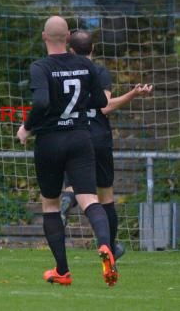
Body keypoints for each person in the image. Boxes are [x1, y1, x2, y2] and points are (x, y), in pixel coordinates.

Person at [16, 16, 118, 286]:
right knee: (89, 200)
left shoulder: (41, 67)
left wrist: (27, 127)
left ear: (43, 37)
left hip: (51, 141)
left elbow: (41, 101)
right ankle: (106, 246)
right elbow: (98, 101)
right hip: (80, 138)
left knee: (50, 204)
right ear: (69, 37)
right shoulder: (85, 65)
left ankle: (62, 270)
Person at [60, 30, 153, 260]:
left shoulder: (61, 72)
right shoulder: (99, 72)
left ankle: (67, 200)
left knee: (76, 186)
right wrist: (131, 94)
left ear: (71, 50)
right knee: (105, 195)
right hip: (98, 137)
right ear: (93, 49)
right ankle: (109, 247)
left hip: (73, 135)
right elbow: (105, 107)